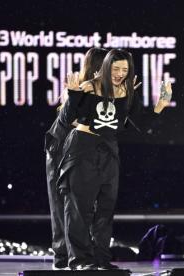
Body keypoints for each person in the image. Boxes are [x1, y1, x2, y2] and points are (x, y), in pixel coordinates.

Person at [56, 48, 172, 270]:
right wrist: (72, 94)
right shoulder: (89, 87)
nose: (120, 73)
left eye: (124, 70)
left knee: (106, 209)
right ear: (106, 66)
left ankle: (100, 259)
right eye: (116, 68)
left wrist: (161, 105)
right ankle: (80, 261)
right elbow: (65, 120)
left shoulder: (125, 92)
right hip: (83, 148)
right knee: (80, 209)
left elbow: (143, 124)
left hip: (109, 151)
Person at [44, 47, 108, 270]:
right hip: (62, 145)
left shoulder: (102, 88)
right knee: (62, 201)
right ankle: (63, 257)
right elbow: (69, 120)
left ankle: (79, 255)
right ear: (98, 66)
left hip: (78, 147)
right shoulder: (82, 87)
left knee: (80, 204)